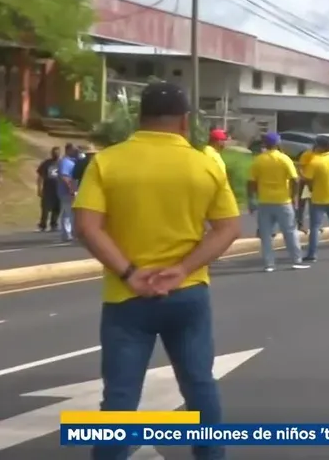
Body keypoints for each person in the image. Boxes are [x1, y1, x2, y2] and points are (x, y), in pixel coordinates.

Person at [72, 81, 241, 460]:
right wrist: (181, 270)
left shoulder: (107, 162)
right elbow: (228, 228)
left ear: (140, 118)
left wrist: (130, 273)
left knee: (119, 396)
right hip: (187, 293)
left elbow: (86, 227)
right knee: (199, 386)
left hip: (126, 296)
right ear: (184, 121)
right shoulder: (205, 164)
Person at [248, 132, 310, 272]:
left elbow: (251, 182)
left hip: (264, 201)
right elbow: (295, 179)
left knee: (266, 234)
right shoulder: (284, 159)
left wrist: (252, 199)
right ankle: (296, 260)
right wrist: (293, 197)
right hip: (283, 201)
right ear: (277, 143)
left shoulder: (259, 160)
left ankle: (269, 264)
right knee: (290, 232)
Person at [57, 143, 79, 243]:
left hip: (70, 191)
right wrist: (71, 188)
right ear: (68, 150)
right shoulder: (65, 162)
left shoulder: (72, 161)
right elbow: (64, 176)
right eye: (74, 150)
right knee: (68, 212)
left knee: (71, 212)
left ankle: (70, 233)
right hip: (66, 192)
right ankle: (67, 233)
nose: (75, 151)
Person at [36, 146, 61, 232]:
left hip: (59, 188)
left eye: (57, 152)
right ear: (51, 153)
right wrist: (39, 188)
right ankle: (43, 225)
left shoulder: (62, 163)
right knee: (45, 208)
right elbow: (40, 176)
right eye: (54, 153)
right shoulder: (46, 163)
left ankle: (54, 224)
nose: (56, 154)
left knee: (57, 207)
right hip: (47, 189)